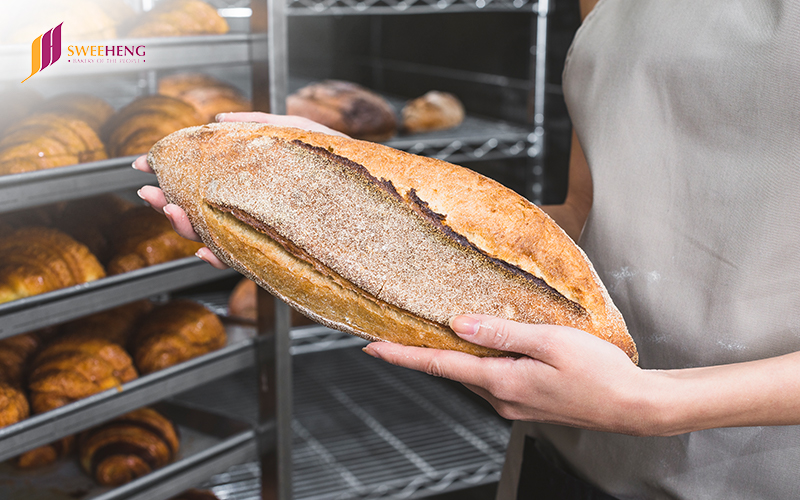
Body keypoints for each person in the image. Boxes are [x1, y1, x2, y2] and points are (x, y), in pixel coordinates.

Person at [135, 0, 800, 497]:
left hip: (749, 468)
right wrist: (326, 210)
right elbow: (592, 213)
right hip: (564, 437)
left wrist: (655, 406)